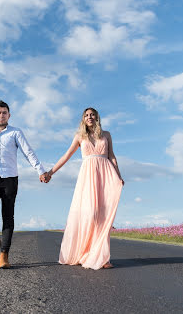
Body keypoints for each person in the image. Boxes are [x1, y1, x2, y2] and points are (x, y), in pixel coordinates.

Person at [0, 100, 48, 269]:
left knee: (7, 216)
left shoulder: (16, 133)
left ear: (9, 115)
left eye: (4, 113)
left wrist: (40, 170)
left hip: (10, 180)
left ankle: (4, 253)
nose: (1, 115)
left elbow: (28, 152)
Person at [45, 107, 124, 270]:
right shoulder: (80, 137)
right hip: (88, 177)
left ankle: (103, 257)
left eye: (92, 115)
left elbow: (112, 156)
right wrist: (50, 172)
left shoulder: (106, 135)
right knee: (91, 214)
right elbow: (66, 156)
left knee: (103, 216)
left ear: (97, 118)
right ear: (83, 119)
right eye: (86, 115)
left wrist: (118, 175)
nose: (89, 117)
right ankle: (85, 252)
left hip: (106, 174)